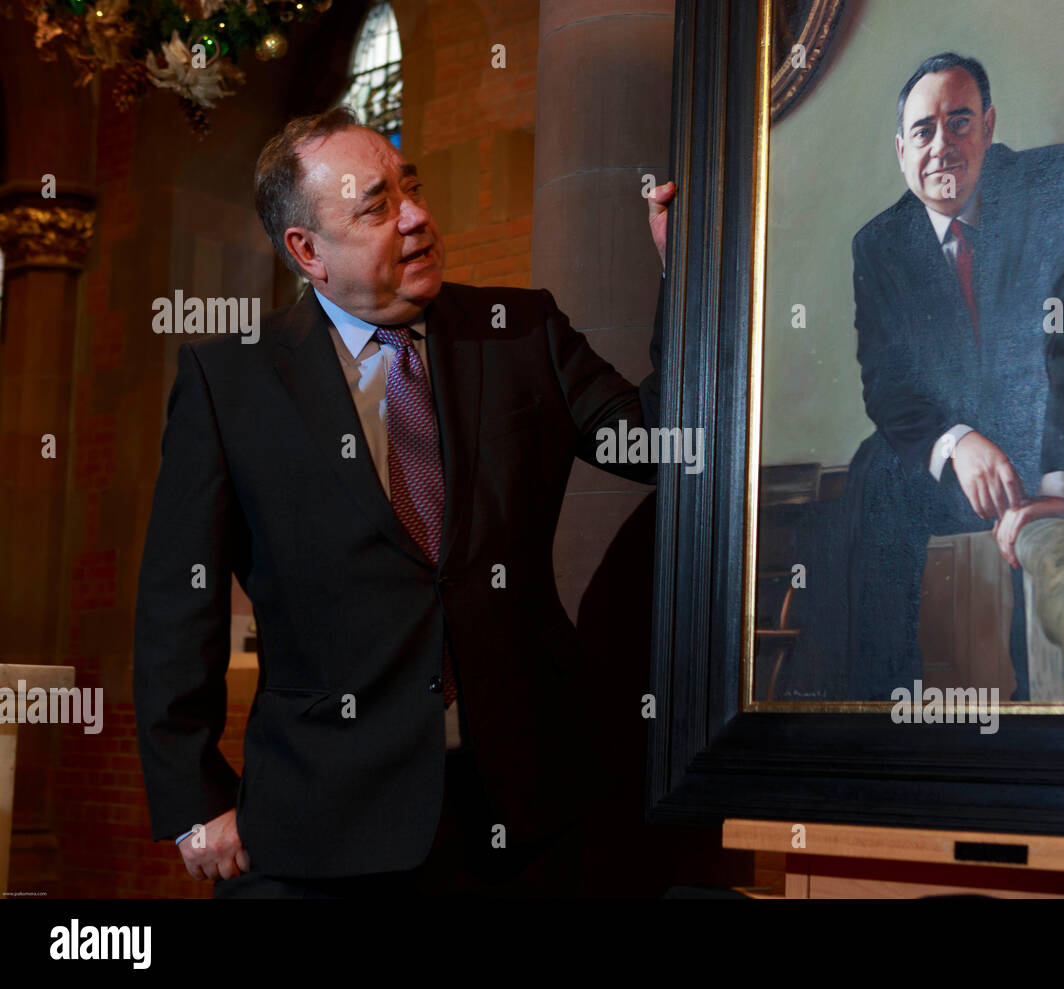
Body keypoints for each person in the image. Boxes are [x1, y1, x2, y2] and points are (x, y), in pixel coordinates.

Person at [132, 105, 677, 897]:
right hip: (321, 828)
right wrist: (195, 799)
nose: (417, 217)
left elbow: (661, 444)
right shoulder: (232, 383)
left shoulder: (520, 330)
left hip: (527, 811)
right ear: (307, 251)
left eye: (410, 188)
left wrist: (687, 271)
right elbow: (176, 606)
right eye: (377, 206)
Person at [822, 52, 1064, 701]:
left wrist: (1060, 485)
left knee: (1057, 548)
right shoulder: (879, 246)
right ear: (900, 149)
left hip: (1054, 428)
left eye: (959, 121)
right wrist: (957, 440)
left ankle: (1049, 719)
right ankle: (882, 710)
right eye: (923, 130)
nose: (941, 145)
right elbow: (886, 384)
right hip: (958, 454)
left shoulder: (1051, 186)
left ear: (990, 125)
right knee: (876, 477)